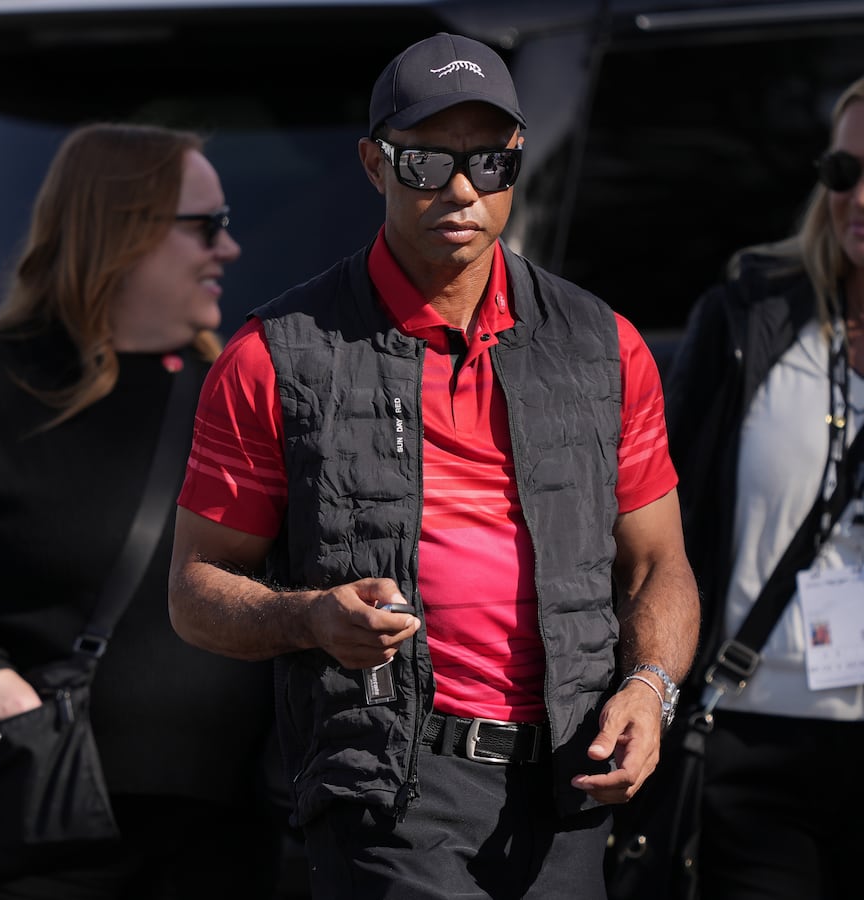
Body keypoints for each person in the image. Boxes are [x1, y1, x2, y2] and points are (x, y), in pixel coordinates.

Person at [166, 33, 700, 900]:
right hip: (388, 786)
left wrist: (650, 689)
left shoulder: (604, 344)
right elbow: (195, 590)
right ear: (374, 164)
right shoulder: (275, 355)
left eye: (489, 162)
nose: (461, 189)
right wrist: (310, 617)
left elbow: (657, 565)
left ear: (516, 160)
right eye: (426, 163)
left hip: (571, 780)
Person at [0, 123, 281, 898]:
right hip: (38, 824)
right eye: (207, 226)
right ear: (125, 231)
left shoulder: (235, 393)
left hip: (224, 839)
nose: (229, 248)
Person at [665, 74, 864, 899]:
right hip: (751, 736)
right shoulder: (751, 315)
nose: (859, 198)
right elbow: (665, 521)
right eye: (845, 172)